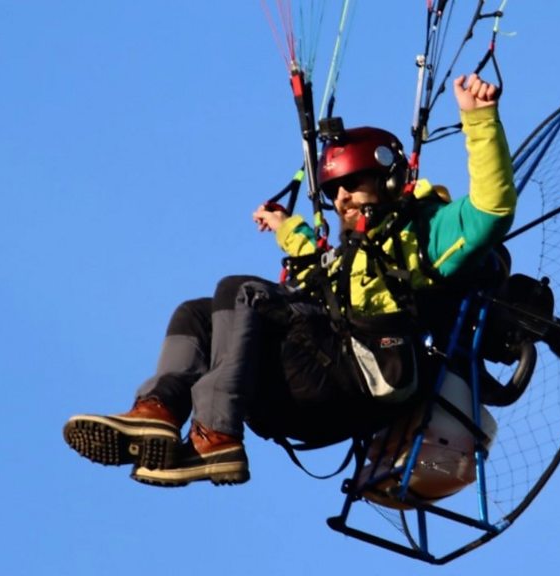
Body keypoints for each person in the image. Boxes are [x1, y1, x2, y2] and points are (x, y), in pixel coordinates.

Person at [63, 73, 515, 487]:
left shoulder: (426, 234)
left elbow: (492, 209)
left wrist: (479, 121)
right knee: (196, 314)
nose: (342, 198)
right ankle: (159, 410)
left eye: (353, 183)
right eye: (335, 190)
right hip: (306, 389)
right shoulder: (355, 256)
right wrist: (287, 228)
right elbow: (320, 270)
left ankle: (217, 434)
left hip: (363, 379)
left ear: (390, 181)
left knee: (241, 291)